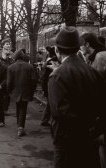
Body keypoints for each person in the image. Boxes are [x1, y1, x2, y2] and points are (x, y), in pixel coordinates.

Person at [48, 27, 103, 168]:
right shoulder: (91, 71)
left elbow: (59, 113)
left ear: (56, 50)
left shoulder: (58, 75)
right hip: (90, 139)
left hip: (67, 142)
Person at [80, 33, 106, 168]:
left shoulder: (100, 57)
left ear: (87, 45)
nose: (80, 47)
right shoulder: (94, 56)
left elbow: (98, 85)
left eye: (81, 44)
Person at [7, 49, 37, 137]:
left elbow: (9, 82)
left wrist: (9, 91)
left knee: (18, 107)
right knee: (23, 108)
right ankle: (20, 127)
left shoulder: (11, 67)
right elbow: (34, 80)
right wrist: (32, 91)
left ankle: (19, 126)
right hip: (26, 91)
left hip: (15, 91)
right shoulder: (30, 66)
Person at [40, 46, 59, 127]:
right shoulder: (54, 60)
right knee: (51, 103)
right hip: (50, 84)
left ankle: (45, 120)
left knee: (49, 103)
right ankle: (46, 120)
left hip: (46, 83)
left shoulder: (48, 60)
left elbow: (43, 71)